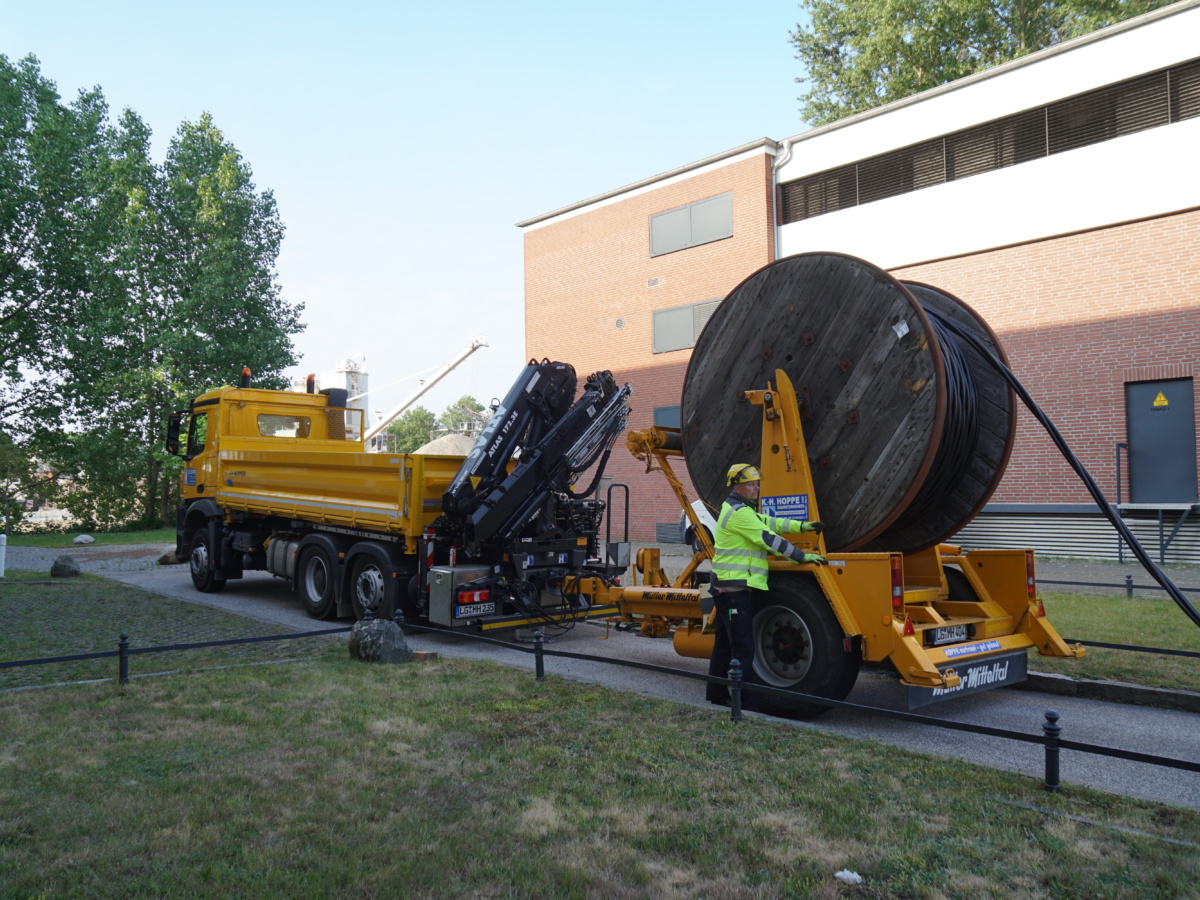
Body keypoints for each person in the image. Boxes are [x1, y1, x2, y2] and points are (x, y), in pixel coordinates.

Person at [706, 463, 826, 710]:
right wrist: (801, 557)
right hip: (733, 591)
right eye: (751, 483)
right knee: (742, 646)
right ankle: (745, 702)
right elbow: (769, 539)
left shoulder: (740, 509)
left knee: (725, 645)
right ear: (737, 486)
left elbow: (771, 523)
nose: (756, 487)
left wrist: (802, 527)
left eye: (757, 482)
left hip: (728, 588)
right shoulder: (740, 514)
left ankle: (716, 695)